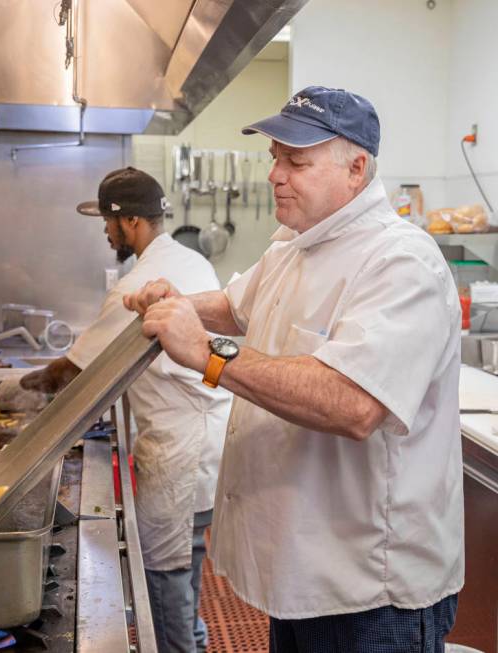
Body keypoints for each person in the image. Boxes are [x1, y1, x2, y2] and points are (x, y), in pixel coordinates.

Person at [123, 87, 464, 652]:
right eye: (275, 158)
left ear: (356, 168)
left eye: (296, 162)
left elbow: (353, 404)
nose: (275, 175)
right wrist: (177, 301)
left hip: (373, 595)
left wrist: (207, 353)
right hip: (302, 574)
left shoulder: (401, 262)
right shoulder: (293, 244)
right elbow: (236, 306)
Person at [20, 167, 231, 652]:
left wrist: (4, 393)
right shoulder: (191, 260)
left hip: (177, 453)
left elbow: (71, 375)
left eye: (109, 222)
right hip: (210, 441)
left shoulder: (137, 284)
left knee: (165, 584)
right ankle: (192, 641)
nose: (105, 231)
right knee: (186, 574)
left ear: (132, 221)